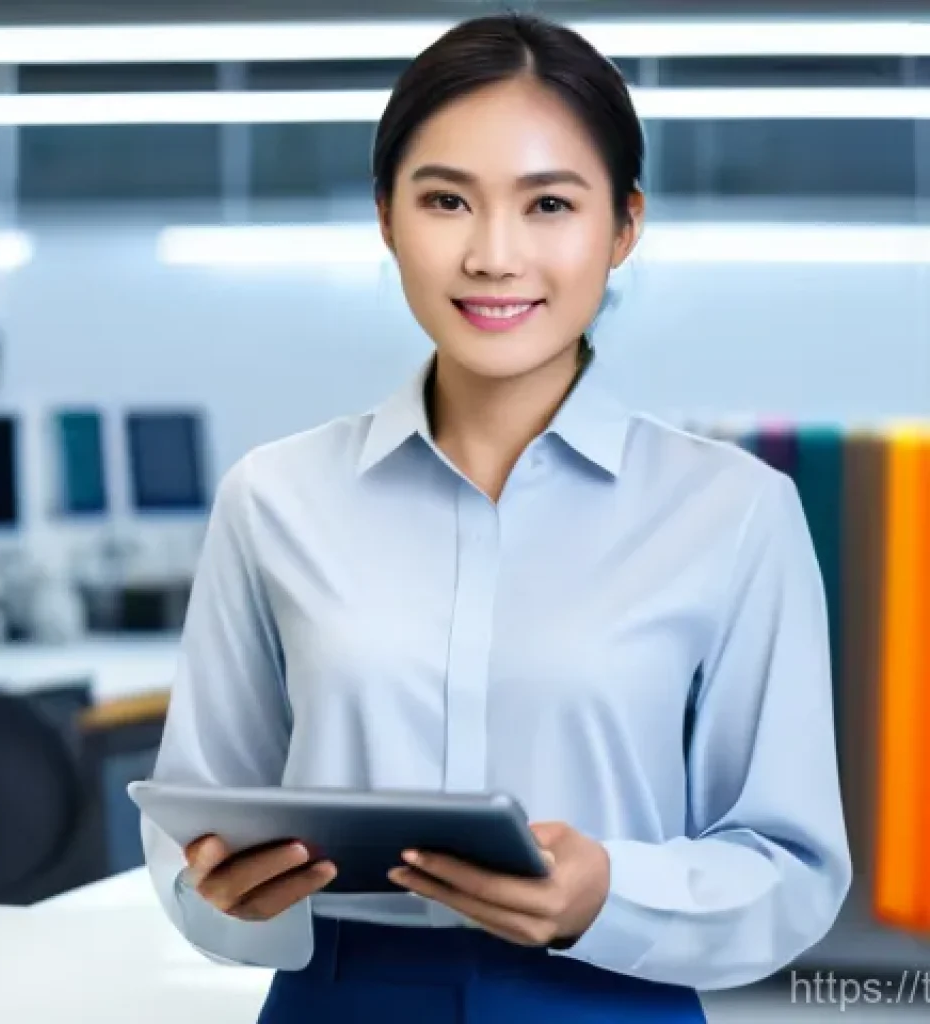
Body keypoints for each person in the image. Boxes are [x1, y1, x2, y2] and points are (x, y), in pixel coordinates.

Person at [141, 13, 851, 1022]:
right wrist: (224, 897)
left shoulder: (733, 512)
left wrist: (609, 890)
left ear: (623, 228)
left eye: (550, 203)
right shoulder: (273, 498)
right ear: (387, 217)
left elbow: (792, 865)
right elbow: (190, 819)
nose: (492, 255)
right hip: (336, 996)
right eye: (445, 201)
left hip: (611, 995)